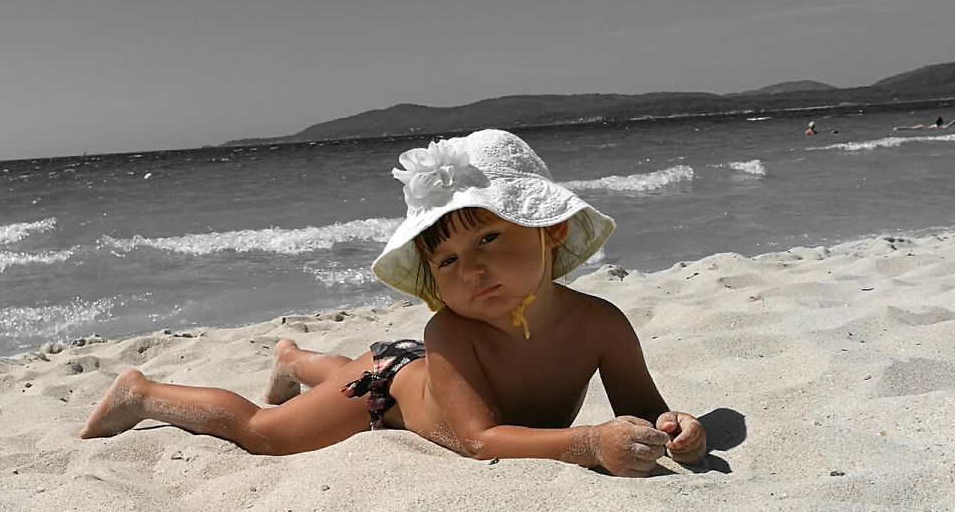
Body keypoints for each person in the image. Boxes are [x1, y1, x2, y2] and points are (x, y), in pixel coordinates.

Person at [81, 130, 707, 476]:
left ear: (551, 229)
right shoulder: (451, 333)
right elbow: (480, 440)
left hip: (413, 370)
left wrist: (678, 430)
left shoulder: (602, 324)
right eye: (448, 260)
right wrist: (588, 443)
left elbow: (646, 411)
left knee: (355, 368)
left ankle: (294, 358)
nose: (473, 269)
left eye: (490, 237)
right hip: (387, 393)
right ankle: (144, 392)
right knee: (265, 432)